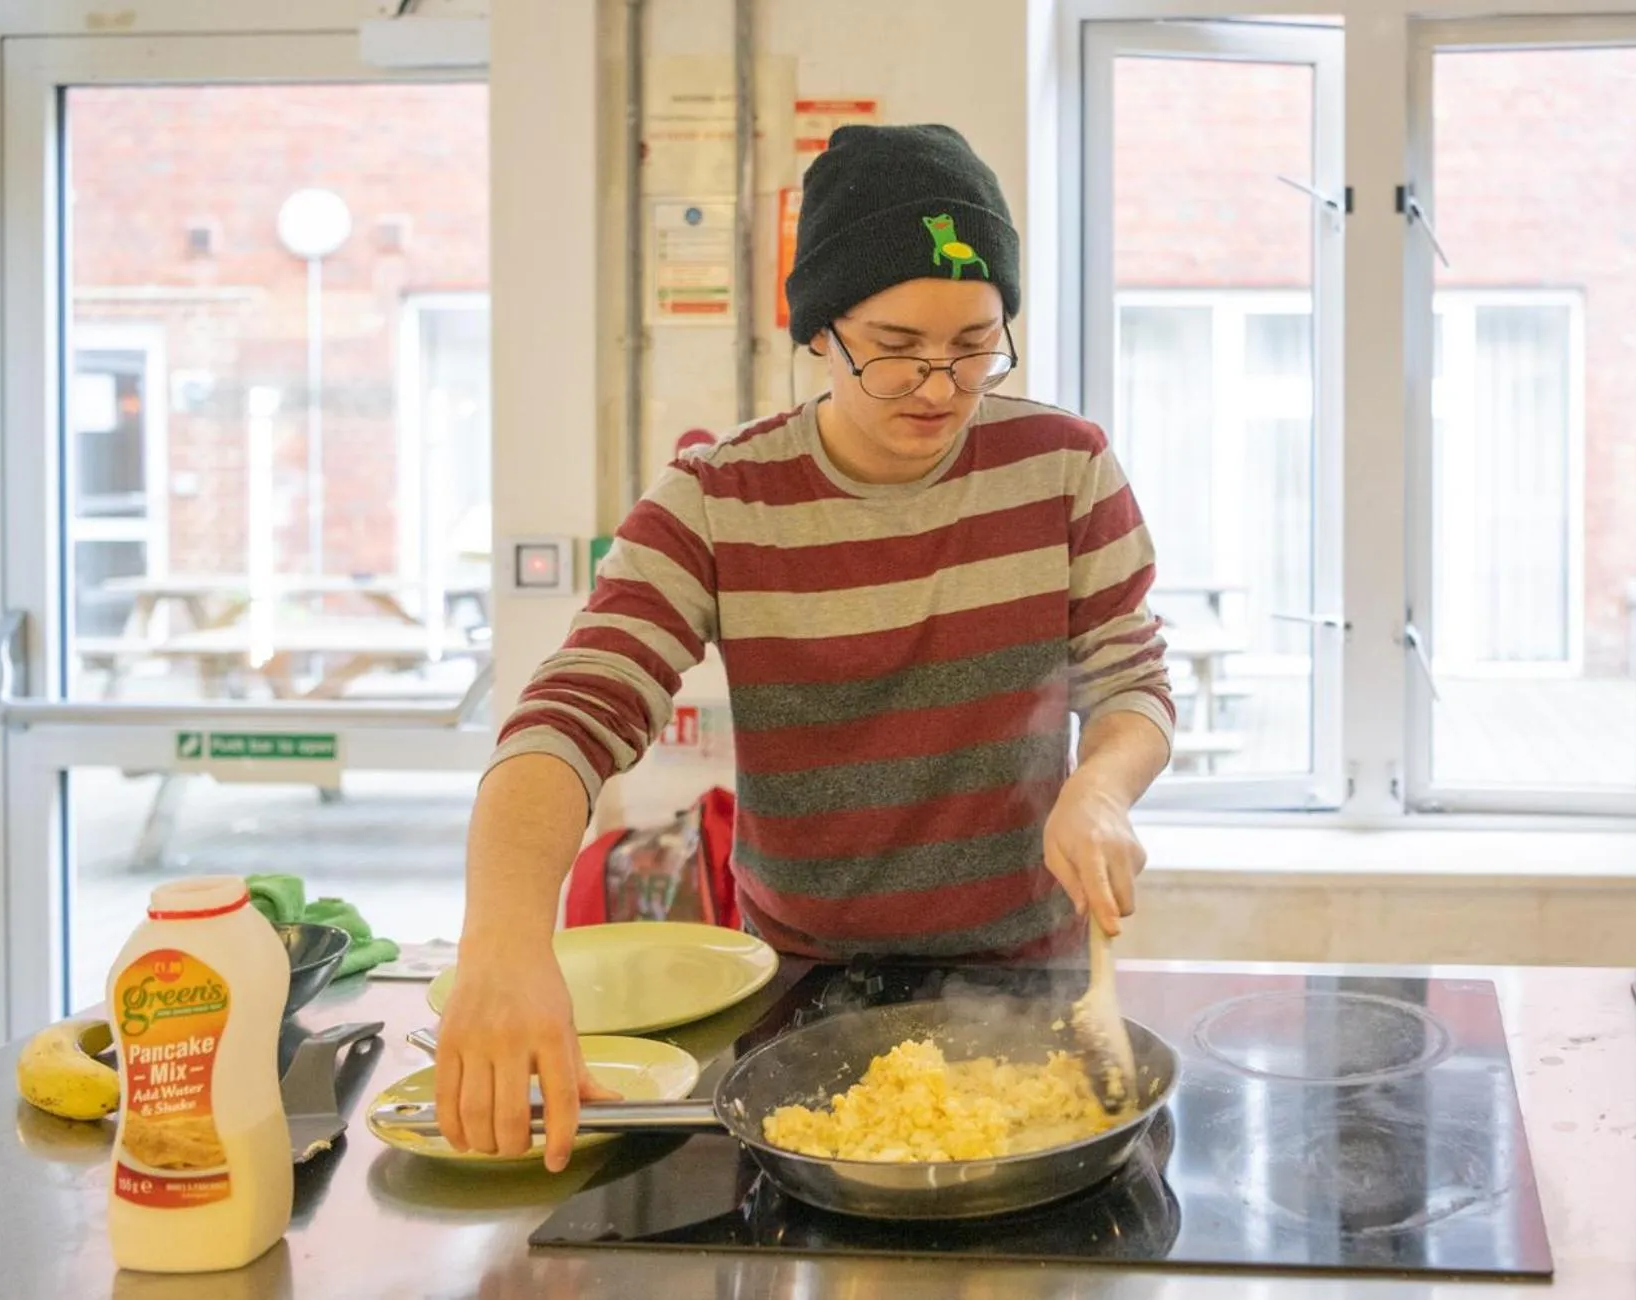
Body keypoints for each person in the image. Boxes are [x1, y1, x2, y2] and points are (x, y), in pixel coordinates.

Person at [435, 124, 1175, 1169]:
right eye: (895, 349)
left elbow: (1133, 680)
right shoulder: (720, 497)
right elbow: (574, 711)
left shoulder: (1064, 467)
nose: (939, 387)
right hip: (799, 989)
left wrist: (1100, 786)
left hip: (1029, 981)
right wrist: (504, 941)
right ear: (819, 331)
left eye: (974, 345)